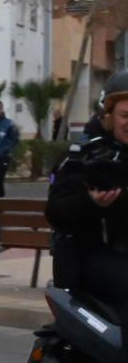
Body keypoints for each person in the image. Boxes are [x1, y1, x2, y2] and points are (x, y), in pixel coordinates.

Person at [50, 71, 128, 307]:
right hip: (92, 256)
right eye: (125, 115)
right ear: (109, 116)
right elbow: (55, 211)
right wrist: (92, 204)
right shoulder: (84, 156)